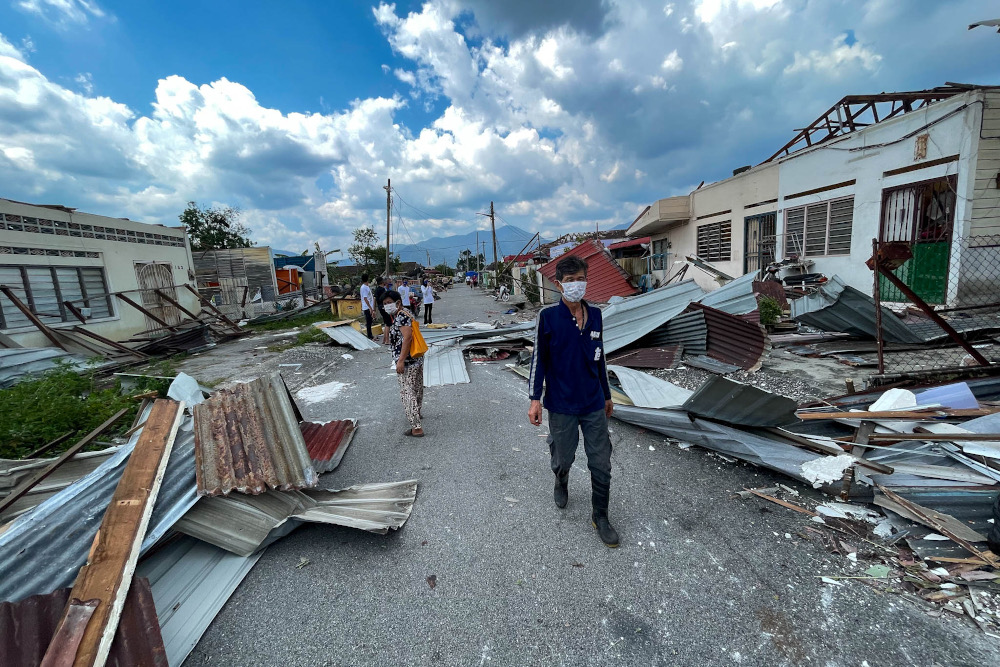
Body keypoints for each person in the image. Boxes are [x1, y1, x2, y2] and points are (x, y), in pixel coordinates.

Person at [527, 255, 618, 548]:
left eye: (580, 279)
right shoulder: (548, 317)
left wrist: (606, 394)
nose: (576, 285)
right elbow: (538, 360)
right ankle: (561, 478)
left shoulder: (597, 315)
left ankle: (600, 516)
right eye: (569, 281)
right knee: (563, 456)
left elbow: (599, 358)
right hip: (562, 403)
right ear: (558, 284)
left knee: (601, 462)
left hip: (592, 402)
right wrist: (534, 399)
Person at [383, 290, 424, 437]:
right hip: (416, 357)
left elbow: (407, 338)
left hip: (407, 360)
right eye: (384, 304)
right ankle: (417, 413)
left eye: (389, 303)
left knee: (407, 391)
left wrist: (400, 361)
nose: (387, 306)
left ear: (398, 302)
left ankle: (416, 427)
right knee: (417, 388)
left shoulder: (400, 317)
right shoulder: (407, 312)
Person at [374, 277, 391, 344]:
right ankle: (387, 340)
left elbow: (375, 299)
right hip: (384, 307)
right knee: (388, 323)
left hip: (379, 307)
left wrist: (374, 309)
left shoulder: (377, 289)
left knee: (386, 322)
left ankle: (384, 339)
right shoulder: (382, 290)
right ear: (382, 282)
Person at [359, 273, 375, 339]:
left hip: (369, 306)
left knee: (370, 321)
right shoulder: (363, 288)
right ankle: (369, 335)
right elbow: (365, 298)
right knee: (368, 322)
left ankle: (370, 334)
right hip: (367, 307)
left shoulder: (367, 287)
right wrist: (370, 308)